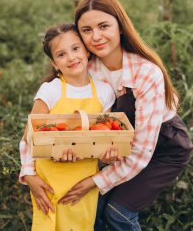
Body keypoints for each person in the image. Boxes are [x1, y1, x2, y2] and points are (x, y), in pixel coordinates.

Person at [58, 0, 193, 231]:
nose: (96, 37)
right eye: (86, 30)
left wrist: (95, 180)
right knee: (93, 210)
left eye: (103, 26)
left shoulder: (146, 73)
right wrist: (99, 153)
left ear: (120, 26)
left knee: (118, 213)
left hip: (163, 148)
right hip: (121, 144)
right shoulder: (86, 70)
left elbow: (141, 151)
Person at [18, 23, 116, 230]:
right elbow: (28, 136)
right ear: (54, 63)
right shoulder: (50, 91)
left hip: (83, 179)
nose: (71, 58)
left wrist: (105, 156)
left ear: (87, 51)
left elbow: (104, 137)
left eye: (75, 48)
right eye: (61, 54)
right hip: (49, 180)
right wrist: (30, 176)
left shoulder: (104, 92)